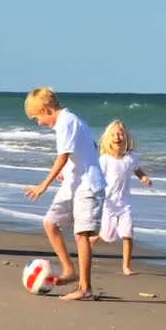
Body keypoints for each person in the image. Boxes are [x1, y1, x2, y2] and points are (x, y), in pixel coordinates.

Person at [24, 87, 106, 300]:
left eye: (36, 118)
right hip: (72, 182)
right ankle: (69, 270)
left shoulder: (67, 121)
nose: (39, 123)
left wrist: (43, 185)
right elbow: (90, 147)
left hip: (88, 186)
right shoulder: (69, 122)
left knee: (82, 235)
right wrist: (67, 171)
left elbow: (64, 155)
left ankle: (85, 288)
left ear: (45, 109)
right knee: (50, 223)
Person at [90, 119, 152, 275]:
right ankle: (89, 242)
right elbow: (96, 177)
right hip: (108, 203)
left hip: (124, 204)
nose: (117, 136)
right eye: (114, 134)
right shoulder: (105, 159)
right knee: (107, 236)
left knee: (128, 234)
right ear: (108, 138)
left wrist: (143, 177)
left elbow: (137, 170)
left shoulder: (131, 158)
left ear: (125, 137)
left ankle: (126, 266)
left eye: (120, 133)